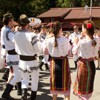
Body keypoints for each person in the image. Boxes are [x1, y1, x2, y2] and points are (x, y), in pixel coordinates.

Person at [14, 14, 43, 100]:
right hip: (32, 60)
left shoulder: (15, 34)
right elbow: (38, 49)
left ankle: (24, 96)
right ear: (27, 24)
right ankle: (32, 97)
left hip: (22, 60)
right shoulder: (32, 35)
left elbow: (16, 49)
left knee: (24, 79)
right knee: (34, 79)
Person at [72, 20, 100, 100]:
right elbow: (95, 54)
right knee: (88, 88)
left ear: (85, 29)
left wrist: (75, 42)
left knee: (82, 89)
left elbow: (74, 51)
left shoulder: (82, 42)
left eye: (82, 28)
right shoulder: (96, 40)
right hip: (91, 64)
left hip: (83, 65)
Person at [44, 21, 71, 100]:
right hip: (64, 63)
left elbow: (45, 51)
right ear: (60, 29)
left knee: (54, 91)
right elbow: (69, 53)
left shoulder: (48, 40)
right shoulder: (65, 40)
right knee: (66, 91)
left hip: (53, 63)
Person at [1, 12, 21, 100]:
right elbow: (15, 40)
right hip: (13, 55)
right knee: (17, 75)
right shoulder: (8, 31)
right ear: (9, 21)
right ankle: (6, 93)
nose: (13, 21)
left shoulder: (4, 29)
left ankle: (7, 92)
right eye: (12, 20)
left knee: (15, 74)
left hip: (10, 54)